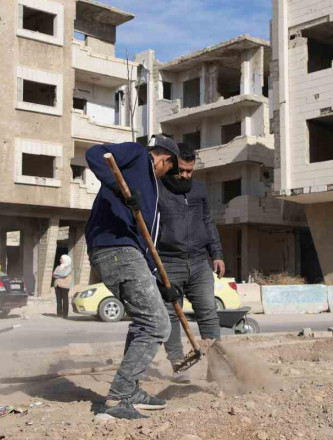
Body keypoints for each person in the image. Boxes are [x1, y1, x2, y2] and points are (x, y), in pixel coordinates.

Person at [85, 134, 183, 420]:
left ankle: (132, 388)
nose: (168, 175)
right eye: (170, 169)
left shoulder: (152, 193)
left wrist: (162, 282)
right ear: (165, 159)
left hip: (128, 253)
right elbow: (94, 153)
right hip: (115, 248)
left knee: (145, 322)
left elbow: (145, 242)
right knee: (156, 323)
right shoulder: (138, 155)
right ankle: (120, 396)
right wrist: (118, 188)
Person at [156, 143, 225, 383]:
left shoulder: (199, 189)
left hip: (198, 262)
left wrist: (216, 253)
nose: (185, 175)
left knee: (208, 313)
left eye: (190, 171)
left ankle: (216, 367)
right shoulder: (157, 188)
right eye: (181, 170)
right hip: (168, 261)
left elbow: (208, 221)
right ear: (172, 165)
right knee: (171, 314)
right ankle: (177, 362)